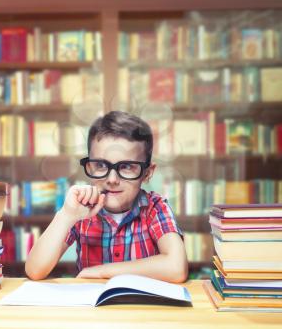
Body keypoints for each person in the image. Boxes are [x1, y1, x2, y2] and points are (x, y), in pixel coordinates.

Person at [25, 111, 188, 283]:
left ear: (147, 173)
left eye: (126, 166)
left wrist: (103, 271)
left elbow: (176, 268)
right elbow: (35, 270)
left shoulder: (155, 208)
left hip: (141, 308)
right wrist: (66, 215)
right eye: (101, 165)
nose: (112, 180)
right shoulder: (81, 208)